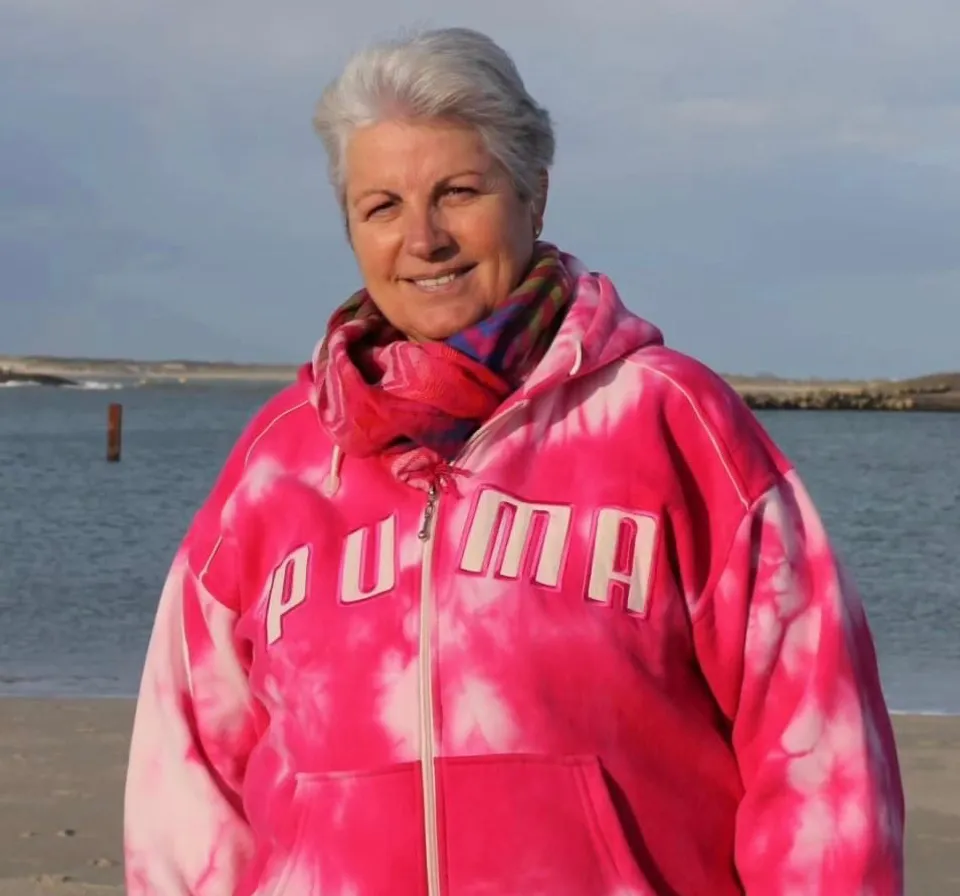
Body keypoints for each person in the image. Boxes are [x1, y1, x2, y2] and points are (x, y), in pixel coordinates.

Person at [123, 26, 905, 896]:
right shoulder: (279, 467)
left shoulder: (672, 426)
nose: (423, 238)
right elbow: (188, 782)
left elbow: (820, 754)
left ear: (533, 194)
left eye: (458, 192)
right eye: (381, 206)